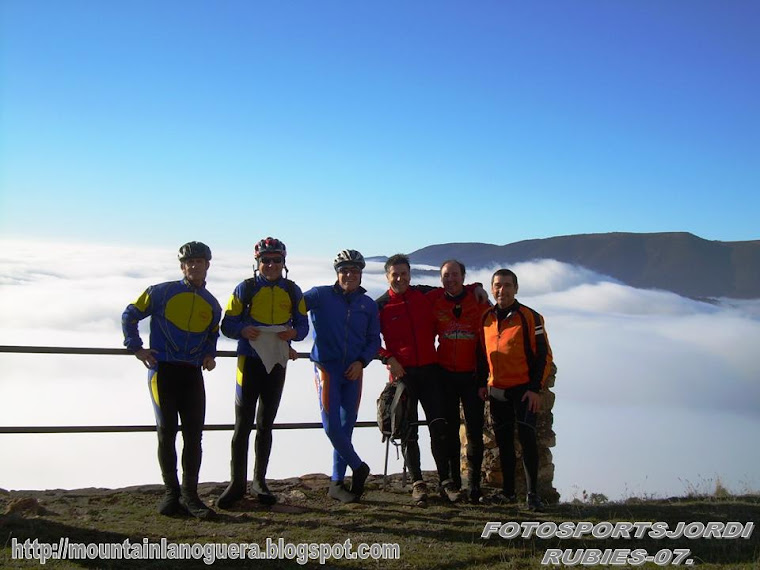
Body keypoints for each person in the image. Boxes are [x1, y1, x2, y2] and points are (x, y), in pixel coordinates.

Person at [121, 241, 221, 519]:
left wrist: (210, 354)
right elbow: (130, 314)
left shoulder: (212, 304)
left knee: (193, 436)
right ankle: (171, 494)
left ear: (207, 265)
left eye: (199, 262)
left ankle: (190, 496)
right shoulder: (161, 292)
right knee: (166, 433)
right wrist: (136, 347)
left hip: (191, 373)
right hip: (162, 370)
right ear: (182, 267)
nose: (194, 266)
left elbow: (213, 333)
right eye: (189, 262)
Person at [217, 237, 309, 508]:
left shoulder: (293, 291)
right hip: (249, 362)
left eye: (276, 260)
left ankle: (259, 482)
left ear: (283, 263)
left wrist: (294, 334)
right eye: (265, 260)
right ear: (257, 264)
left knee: (266, 424)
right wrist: (242, 330)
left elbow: (303, 327)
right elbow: (227, 324)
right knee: (242, 425)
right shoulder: (245, 288)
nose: (270, 265)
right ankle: (236, 483)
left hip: (277, 363)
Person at [304, 249, 380, 503]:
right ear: (337, 273)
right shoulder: (320, 295)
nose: (349, 274)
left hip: (353, 371)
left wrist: (362, 362)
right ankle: (359, 467)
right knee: (332, 426)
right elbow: (290, 305)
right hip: (326, 368)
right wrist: (288, 334)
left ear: (360, 274)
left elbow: (373, 339)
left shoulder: (367, 304)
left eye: (354, 270)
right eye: (344, 270)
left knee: (346, 428)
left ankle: (337, 483)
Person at [480, 268, 551, 511]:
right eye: (498, 285)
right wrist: (482, 383)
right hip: (497, 391)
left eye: (508, 285)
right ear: (492, 289)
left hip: (523, 391)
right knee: (504, 444)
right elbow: (482, 355)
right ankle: (508, 493)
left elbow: (544, 355)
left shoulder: (530, 317)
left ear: (516, 288)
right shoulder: (486, 318)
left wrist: (535, 389)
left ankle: (533, 495)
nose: (502, 290)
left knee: (528, 440)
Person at [428, 259, 490, 504]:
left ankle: (474, 486)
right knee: (450, 432)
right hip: (445, 376)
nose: (450, 279)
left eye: (455, 275)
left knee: (474, 432)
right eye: (446, 275)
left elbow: (495, 331)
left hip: (472, 377)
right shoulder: (436, 301)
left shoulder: (478, 301)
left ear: (463, 277)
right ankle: (453, 483)